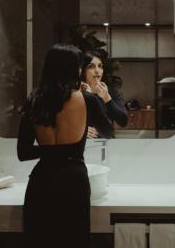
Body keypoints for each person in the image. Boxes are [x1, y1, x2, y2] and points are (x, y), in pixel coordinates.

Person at [17, 44, 111, 248]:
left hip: (41, 181)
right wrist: (105, 100)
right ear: (73, 69)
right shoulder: (88, 100)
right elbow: (108, 132)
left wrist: (54, 152)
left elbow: (23, 153)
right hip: (73, 181)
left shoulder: (34, 100)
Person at [80, 50, 128, 138]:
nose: (97, 70)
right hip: (82, 144)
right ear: (83, 70)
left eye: (100, 66)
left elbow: (123, 122)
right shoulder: (76, 93)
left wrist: (107, 99)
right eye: (91, 66)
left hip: (107, 143)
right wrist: (80, 130)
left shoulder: (111, 92)